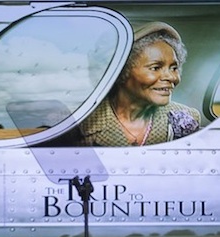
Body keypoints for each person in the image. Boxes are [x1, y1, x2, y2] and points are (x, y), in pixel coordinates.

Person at [69, 21, 201, 147]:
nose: (171, 77)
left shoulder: (185, 118)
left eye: (174, 68)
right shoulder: (79, 120)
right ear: (120, 71)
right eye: (155, 68)